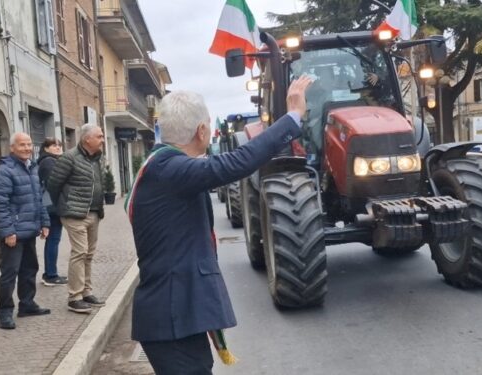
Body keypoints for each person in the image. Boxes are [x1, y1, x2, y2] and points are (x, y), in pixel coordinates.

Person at [129, 76, 313, 374]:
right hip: (172, 318)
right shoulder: (170, 168)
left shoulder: (163, 166)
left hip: (174, 315)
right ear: (202, 131)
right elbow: (238, 161)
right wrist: (293, 115)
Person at [0, 132, 51, 329]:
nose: (27, 148)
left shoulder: (32, 168)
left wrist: (44, 223)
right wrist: (8, 232)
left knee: (29, 269)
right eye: (22, 145)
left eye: (29, 144)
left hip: (29, 230)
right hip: (14, 233)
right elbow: (0, 204)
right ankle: (5, 312)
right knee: (9, 273)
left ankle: (27, 304)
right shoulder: (4, 171)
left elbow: (38, 199)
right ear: (12, 148)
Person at [46, 123, 106, 314]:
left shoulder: (98, 158)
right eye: (99, 136)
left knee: (89, 254)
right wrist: (64, 205)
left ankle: (87, 292)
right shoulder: (69, 157)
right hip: (74, 214)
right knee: (80, 252)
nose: (103, 140)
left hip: (94, 212)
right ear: (87, 139)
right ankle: (74, 297)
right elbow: (53, 185)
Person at [37, 138, 67, 286]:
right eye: (54, 145)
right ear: (46, 148)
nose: (58, 147)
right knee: (53, 240)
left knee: (52, 240)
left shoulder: (50, 161)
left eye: (59, 145)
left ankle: (50, 273)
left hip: (52, 206)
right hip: (51, 207)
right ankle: (50, 275)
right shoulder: (48, 162)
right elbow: (54, 183)